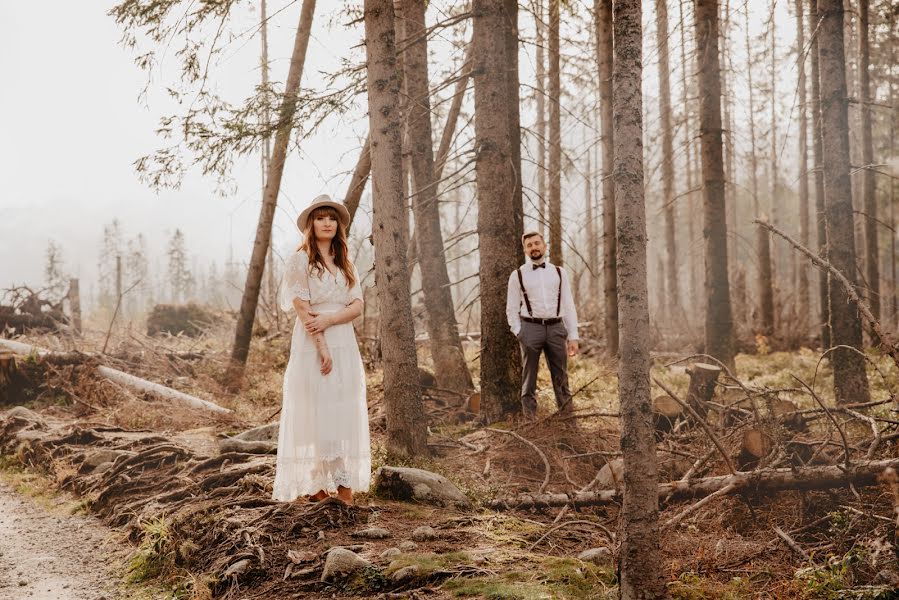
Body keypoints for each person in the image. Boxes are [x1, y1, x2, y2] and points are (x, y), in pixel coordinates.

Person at [272, 194, 370, 505]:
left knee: (339, 407)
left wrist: (331, 319)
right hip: (313, 341)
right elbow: (302, 307)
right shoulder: (300, 259)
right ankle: (319, 484)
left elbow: (357, 305)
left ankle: (339, 481)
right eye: (320, 217)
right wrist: (322, 345)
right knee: (316, 408)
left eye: (331, 218)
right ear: (311, 224)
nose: (326, 222)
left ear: (338, 225)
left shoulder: (345, 262)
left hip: (343, 338)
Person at [506, 231, 579, 417]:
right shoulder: (518, 275)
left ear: (544, 246)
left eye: (537, 243)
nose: (534, 247)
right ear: (525, 250)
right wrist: (519, 332)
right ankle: (531, 423)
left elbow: (568, 304)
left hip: (556, 328)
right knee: (529, 378)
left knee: (561, 376)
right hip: (530, 328)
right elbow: (511, 307)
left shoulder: (559, 272)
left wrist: (573, 336)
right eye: (529, 245)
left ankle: (568, 421)